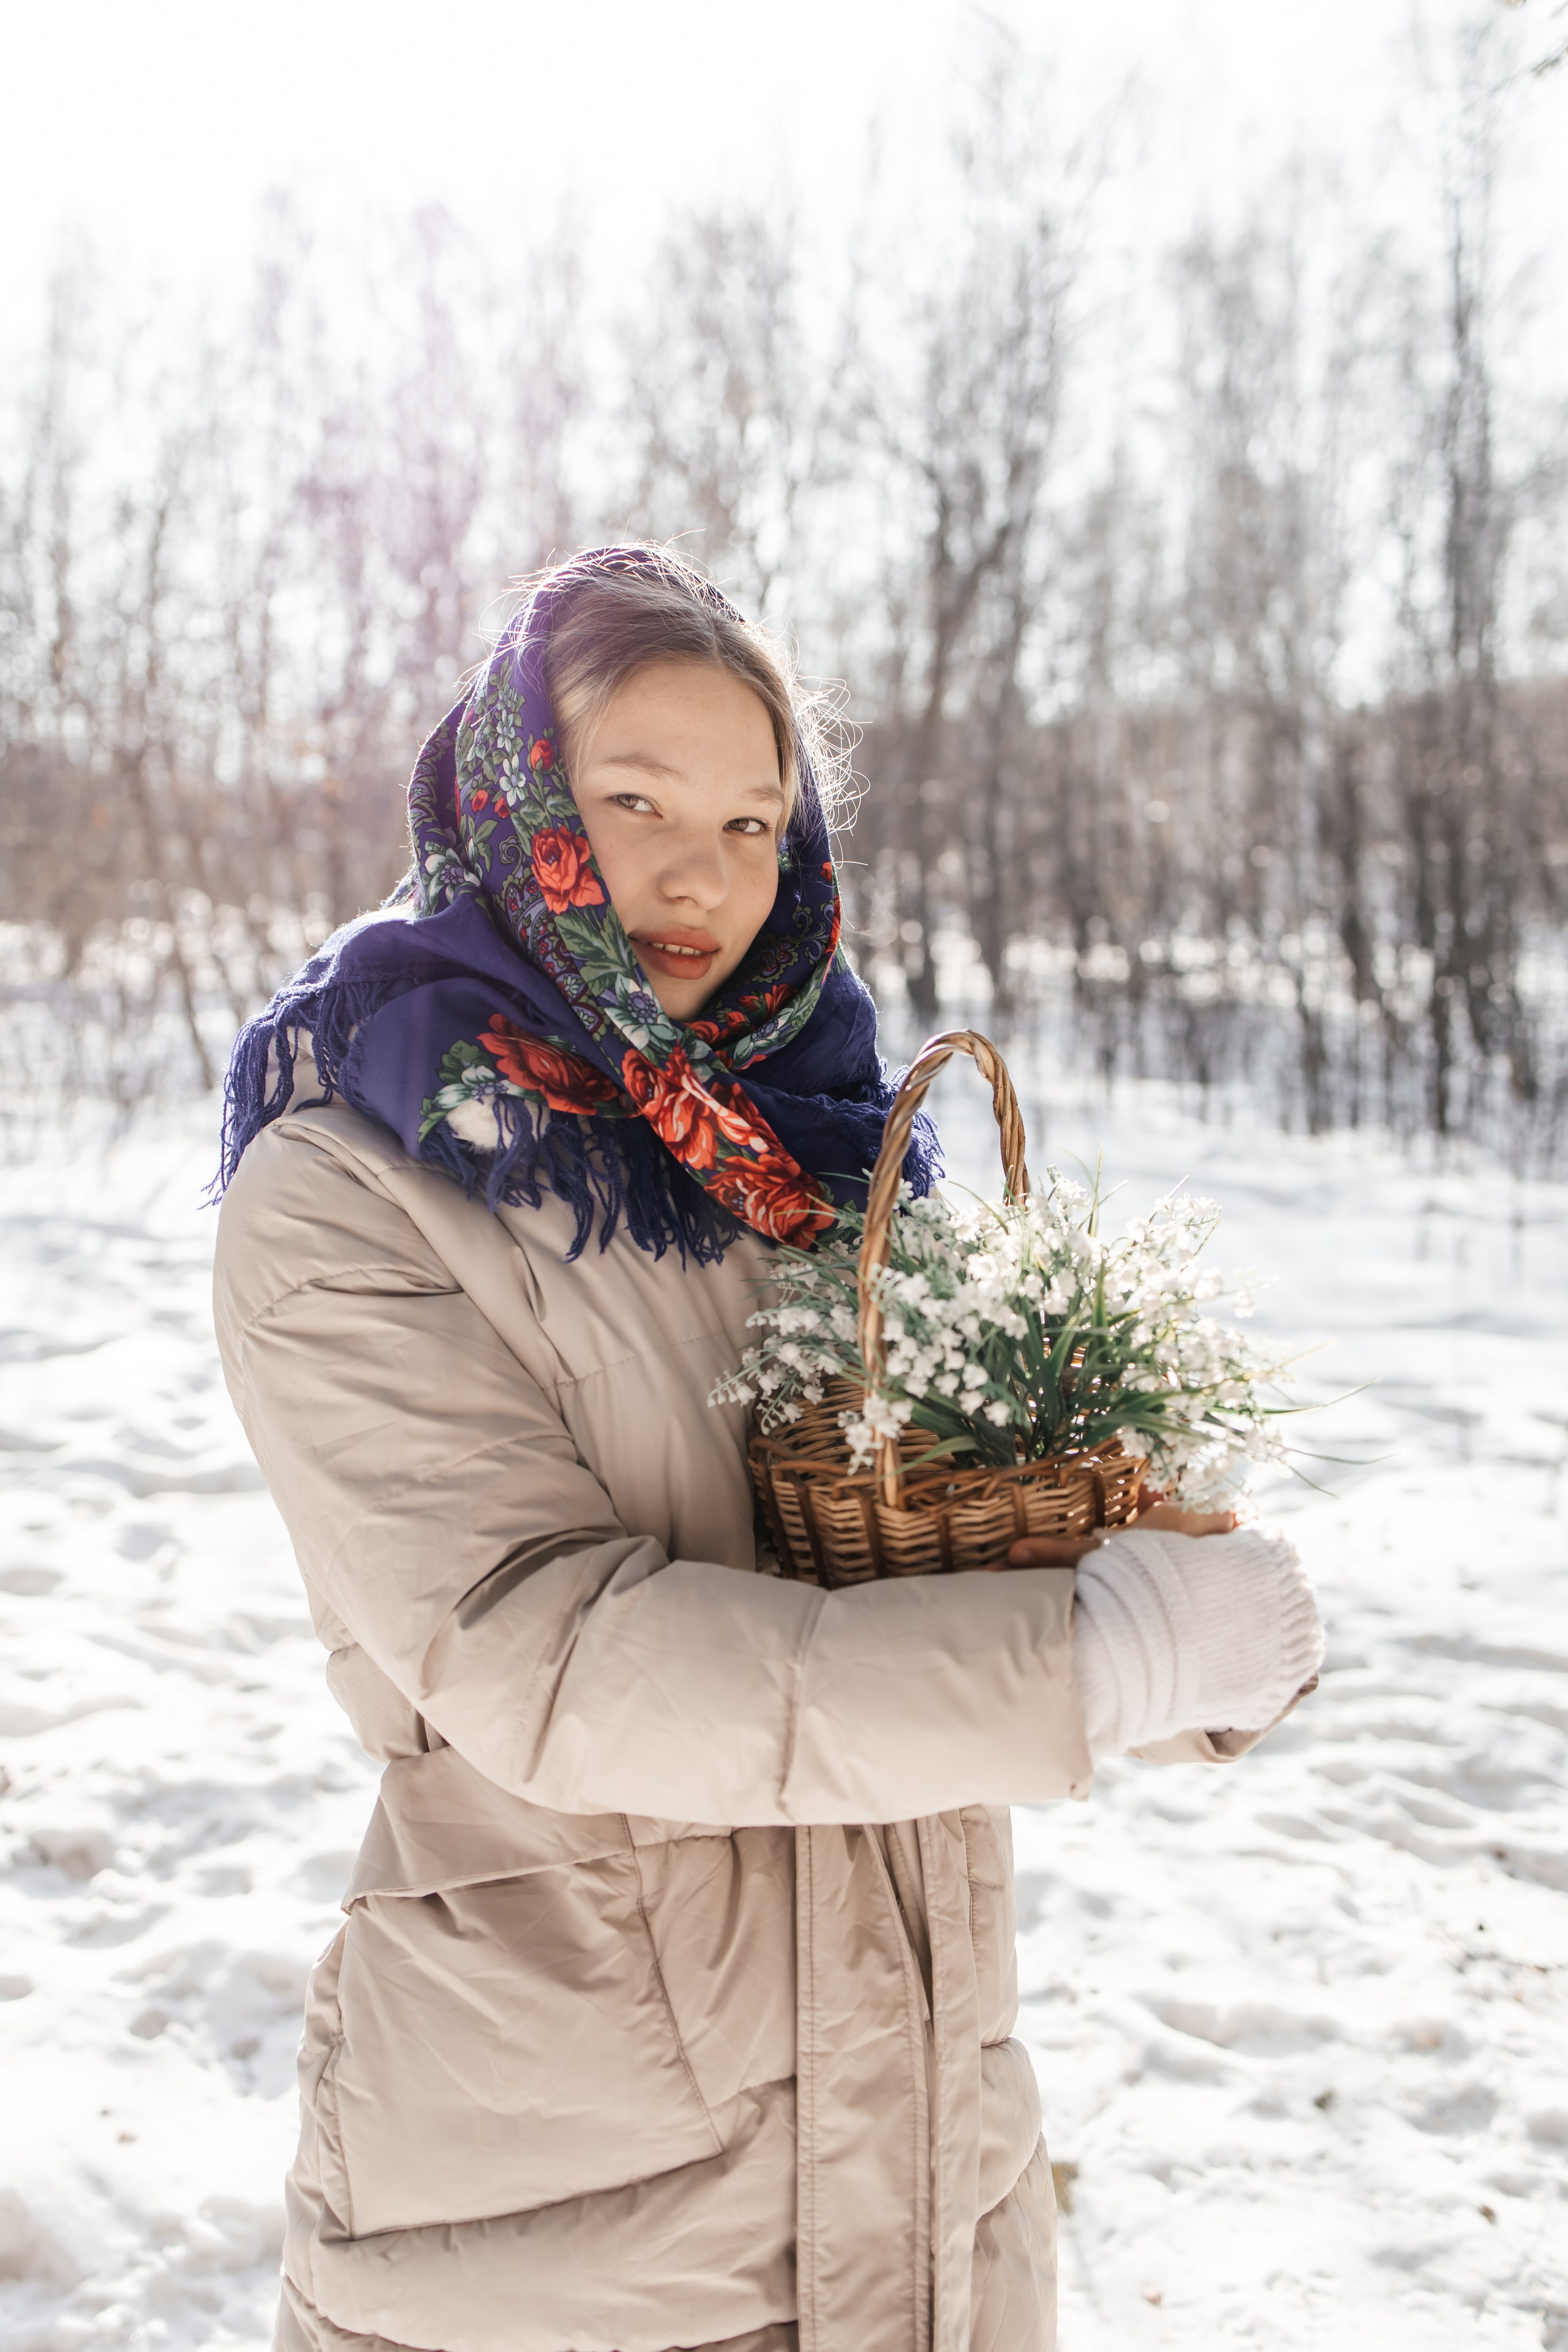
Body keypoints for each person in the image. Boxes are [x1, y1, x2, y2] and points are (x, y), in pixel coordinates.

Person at [212, 544, 1323, 2352]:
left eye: (751, 821)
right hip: (567, 2233)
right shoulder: (350, 1184)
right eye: (631, 798)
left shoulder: (831, 1159)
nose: (695, 873)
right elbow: (550, 1656)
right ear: (517, 804)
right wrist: (1082, 1660)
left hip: (928, 2200)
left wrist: (1173, 1598)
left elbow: (963, 1531)